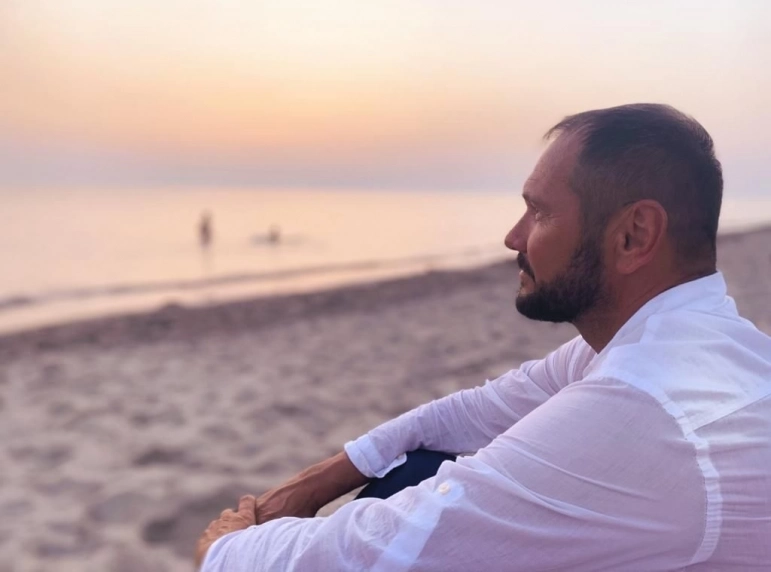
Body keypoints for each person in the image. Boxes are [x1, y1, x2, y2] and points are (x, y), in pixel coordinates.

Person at [195, 104, 771, 571]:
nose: (512, 237)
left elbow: (392, 548)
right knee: (417, 463)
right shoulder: (678, 345)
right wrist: (313, 484)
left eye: (538, 213)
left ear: (633, 235)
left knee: (412, 486)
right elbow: (474, 411)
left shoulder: (646, 403)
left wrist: (224, 551)